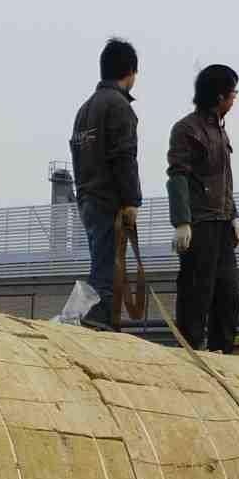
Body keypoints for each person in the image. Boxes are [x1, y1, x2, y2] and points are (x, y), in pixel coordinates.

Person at [68, 38, 142, 331]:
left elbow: (77, 157)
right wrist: (131, 201)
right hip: (108, 200)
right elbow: (124, 156)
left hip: (87, 198)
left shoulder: (84, 109)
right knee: (107, 271)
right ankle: (98, 326)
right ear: (130, 72)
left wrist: (83, 195)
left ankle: (87, 321)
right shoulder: (119, 107)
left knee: (100, 264)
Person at [166, 64, 239, 352]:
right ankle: (192, 351)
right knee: (196, 293)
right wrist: (181, 221)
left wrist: (234, 215)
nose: (234, 99)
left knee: (227, 295)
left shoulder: (220, 131)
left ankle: (224, 353)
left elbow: (224, 178)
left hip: (222, 223)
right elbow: (177, 175)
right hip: (200, 224)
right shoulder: (187, 129)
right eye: (233, 93)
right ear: (220, 96)